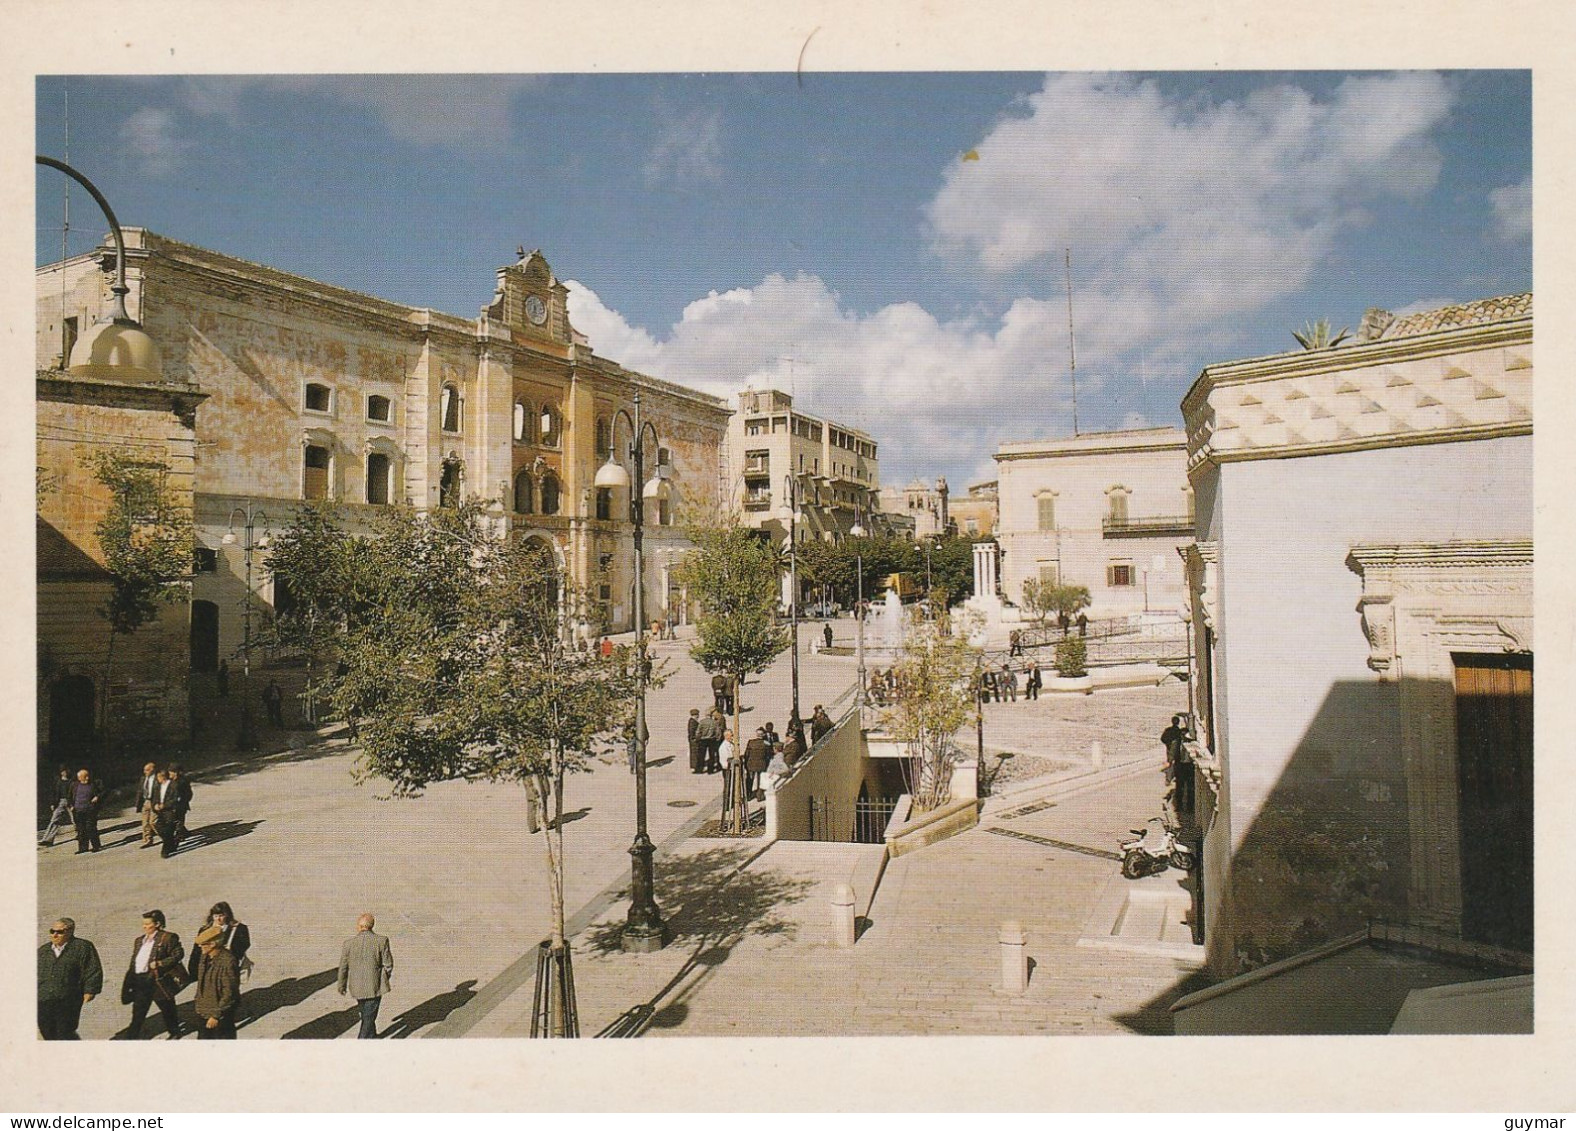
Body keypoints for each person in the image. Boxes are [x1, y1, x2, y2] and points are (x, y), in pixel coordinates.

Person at [123, 910, 184, 1039]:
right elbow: (134, 961)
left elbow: (178, 954)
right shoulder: (139, 941)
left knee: (168, 1009)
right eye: (143, 924)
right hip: (141, 981)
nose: (144, 927)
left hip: (158, 980)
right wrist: (129, 981)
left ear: (157, 924)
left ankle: (175, 1032)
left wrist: (160, 963)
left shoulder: (168, 937)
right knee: (138, 1012)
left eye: (147, 924)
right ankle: (131, 1037)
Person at [38, 917, 102, 1040]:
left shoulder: (83, 947)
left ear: (70, 931)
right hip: (44, 998)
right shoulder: (43, 951)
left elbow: (92, 969)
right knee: (45, 1028)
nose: (55, 935)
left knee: (65, 1030)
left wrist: (90, 990)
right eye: (52, 931)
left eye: (59, 932)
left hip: (69, 998)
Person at [338, 913, 394, 1039]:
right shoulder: (381, 941)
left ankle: (372, 1036)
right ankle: (362, 1040)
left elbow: (343, 967)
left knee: (366, 1014)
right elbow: (388, 964)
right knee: (368, 1017)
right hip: (375, 986)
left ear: (359, 926)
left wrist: (341, 985)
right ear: (372, 926)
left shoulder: (348, 944)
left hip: (356, 986)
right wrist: (383, 978)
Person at [191, 924, 241, 1039]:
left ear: (213, 944)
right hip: (204, 1011)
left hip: (219, 1015)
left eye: (203, 944)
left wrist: (216, 1015)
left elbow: (229, 992)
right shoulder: (205, 957)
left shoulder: (228, 962)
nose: (200, 947)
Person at [187, 902, 251, 983]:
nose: (218, 919)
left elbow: (244, 945)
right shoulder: (205, 930)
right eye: (216, 916)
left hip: (227, 966)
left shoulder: (239, 929)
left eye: (221, 915)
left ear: (227, 915)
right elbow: (196, 951)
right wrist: (193, 970)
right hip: (208, 968)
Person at [155, 764, 193, 857]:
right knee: (171, 826)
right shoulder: (170, 782)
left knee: (178, 826)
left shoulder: (183, 781)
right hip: (171, 809)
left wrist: (184, 802)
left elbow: (188, 793)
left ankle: (173, 844)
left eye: (171, 772)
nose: (169, 773)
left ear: (175, 772)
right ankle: (175, 839)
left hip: (180, 807)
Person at [69, 768, 103, 854]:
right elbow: (69, 796)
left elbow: (100, 793)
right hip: (78, 810)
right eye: (85, 777)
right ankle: (83, 848)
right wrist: (71, 806)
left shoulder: (92, 785)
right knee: (81, 830)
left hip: (90, 810)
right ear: (80, 778)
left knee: (91, 828)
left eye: (87, 776)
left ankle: (96, 846)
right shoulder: (74, 785)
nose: (87, 778)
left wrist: (97, 797)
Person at [40, 767, 73, 847]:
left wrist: (72, 804)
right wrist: (53, 803)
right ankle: (48, 839)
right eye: (63, 771)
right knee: (54, 820)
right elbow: (54, 793)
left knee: (75, 819)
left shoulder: (71, 782)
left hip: (70, 802)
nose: (64, 773)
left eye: (65, 771)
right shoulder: (58, 782)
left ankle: (81, 835)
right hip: (60, 802)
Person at [135, 762, 160, 849]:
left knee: (153, 822)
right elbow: (140, 791)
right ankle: (147, 840)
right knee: (145, 822)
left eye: (147, 770)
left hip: (154, 801)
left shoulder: (158, 778)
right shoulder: (143, 779)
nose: (144, 772)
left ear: (152, 770)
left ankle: (165, 836)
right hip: (146, 802)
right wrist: (138, 804)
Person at [742, 728, 770, 801]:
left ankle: (748, 795)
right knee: (760, 781)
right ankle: (759, 796)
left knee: (749, 780)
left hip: (751, 764)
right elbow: (768, 755)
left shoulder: (751, 742)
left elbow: (746, 754)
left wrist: (746, 763)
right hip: (761, 764)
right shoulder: (766, 743)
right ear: (763, 735)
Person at [686, 708, 702, 773]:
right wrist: (695, 738)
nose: (698, 716)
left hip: (693, 740)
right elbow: (692, 732)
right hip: (694, 740)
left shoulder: (692, 721)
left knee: (694, 753)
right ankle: (694, 767)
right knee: (694, 754)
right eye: (697, 715)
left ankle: (695, 766)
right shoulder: (693, 722)